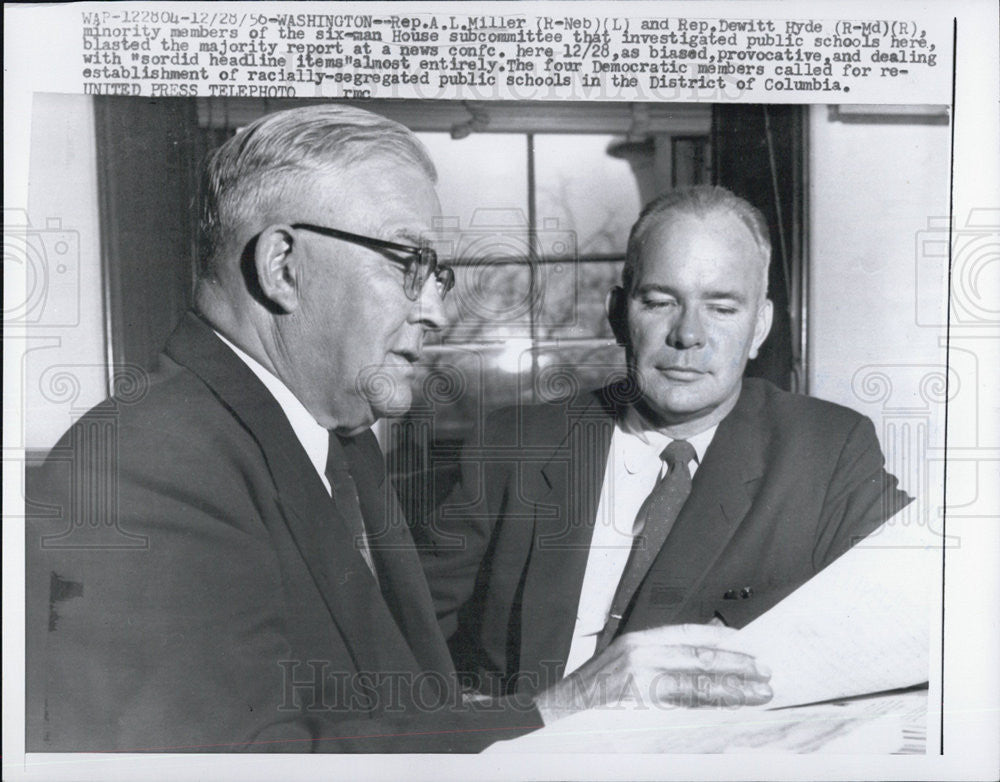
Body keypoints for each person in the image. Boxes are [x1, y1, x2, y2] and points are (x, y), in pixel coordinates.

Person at [25, 109, 771, 754]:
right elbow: (235, 761)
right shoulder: (138, 464)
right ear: (283, 267)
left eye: (434, 273)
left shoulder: (336, 440)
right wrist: (557, 708)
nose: (439, 313)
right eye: (408, 264)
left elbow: (395, 703)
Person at [421, 185, 912, 699]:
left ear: (760, 327)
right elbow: (398, 635)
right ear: (618, 314)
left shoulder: (827, 451)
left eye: (722, 308)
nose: (688, 334)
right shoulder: (514, 445)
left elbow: (926, 606)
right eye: (659, 302)